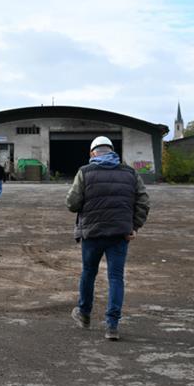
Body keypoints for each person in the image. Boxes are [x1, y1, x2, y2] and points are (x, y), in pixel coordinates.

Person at [66, 136, 149, 341]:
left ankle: (85, 314)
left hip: (92, 234)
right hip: (120, 234)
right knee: (115, 277)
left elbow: (72, 203)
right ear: (112, 151)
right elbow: (143, 202)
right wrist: (134, 226)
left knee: (88, 273)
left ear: (93, 153)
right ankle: (112, 325)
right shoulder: (130, 173)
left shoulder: (85, 172)